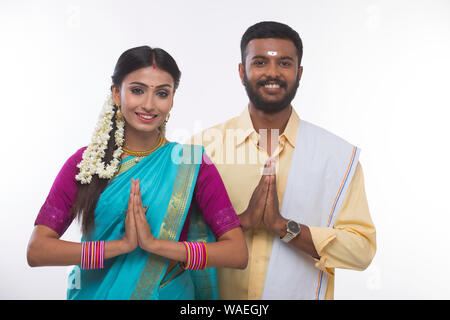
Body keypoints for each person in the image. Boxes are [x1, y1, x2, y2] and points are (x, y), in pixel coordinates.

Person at [27, 46, 248, 300]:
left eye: (162, 93)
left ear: (173, 98)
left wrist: (155, 245)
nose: (149, 104)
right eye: (137, 90)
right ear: (116, 93)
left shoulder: (193, 163)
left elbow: (237, 253)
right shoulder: (85, 163)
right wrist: (120, 246)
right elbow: (37, 250)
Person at [190, 21, 376, 300]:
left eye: (285, 63)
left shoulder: (335, 156)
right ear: (242, 72)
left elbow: (362, 251)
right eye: (261, 62)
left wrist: (285, 228)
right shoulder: (201, 149)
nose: (273, 73)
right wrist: (240, 223)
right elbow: (174, 239)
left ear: (299, 73)